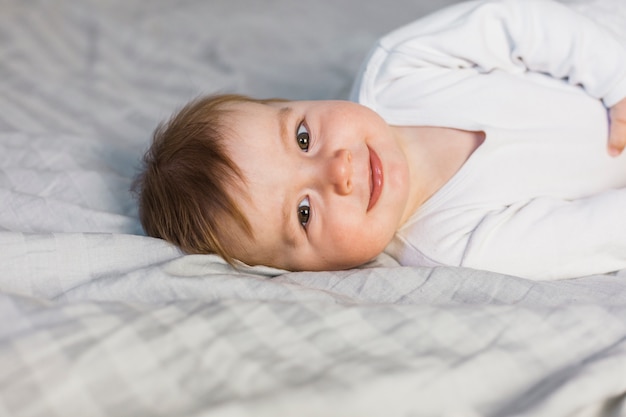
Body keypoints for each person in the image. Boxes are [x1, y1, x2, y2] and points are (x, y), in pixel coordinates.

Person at [133, 0, 626, 280]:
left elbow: (521, 26)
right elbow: (599, 232)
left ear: (301, 100)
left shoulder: (400, 66)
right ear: (307, 272)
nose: (339, 170)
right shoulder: (454, 248)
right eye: (304, 213)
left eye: (303, 137)